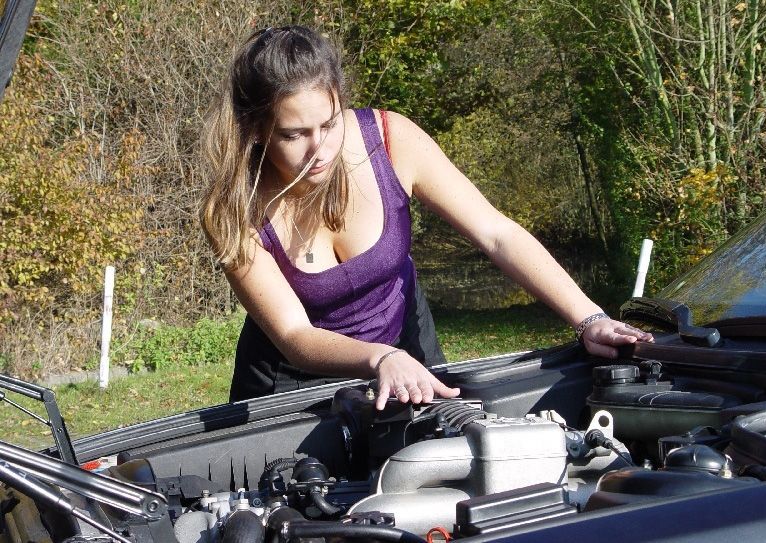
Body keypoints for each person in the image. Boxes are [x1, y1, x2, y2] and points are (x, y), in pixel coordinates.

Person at [200, 25, 653, 409]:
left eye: (330, 123)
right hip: (291, 384)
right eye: (294, 134)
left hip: (407, 353)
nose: (321, 148)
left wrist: (589, 319)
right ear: (257, 130)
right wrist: (377, 359)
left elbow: (495, 233)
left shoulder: (390, 140)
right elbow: (294, 334)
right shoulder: (233, 210)